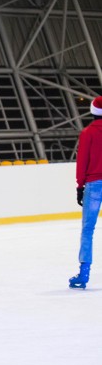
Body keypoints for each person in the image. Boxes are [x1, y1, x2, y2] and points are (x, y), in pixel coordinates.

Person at [69, 96, 102, 289]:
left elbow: (82, 162)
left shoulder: (88, 133)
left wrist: (80, 186)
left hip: (93, 184)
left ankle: (84, 273)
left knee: (88, 229)